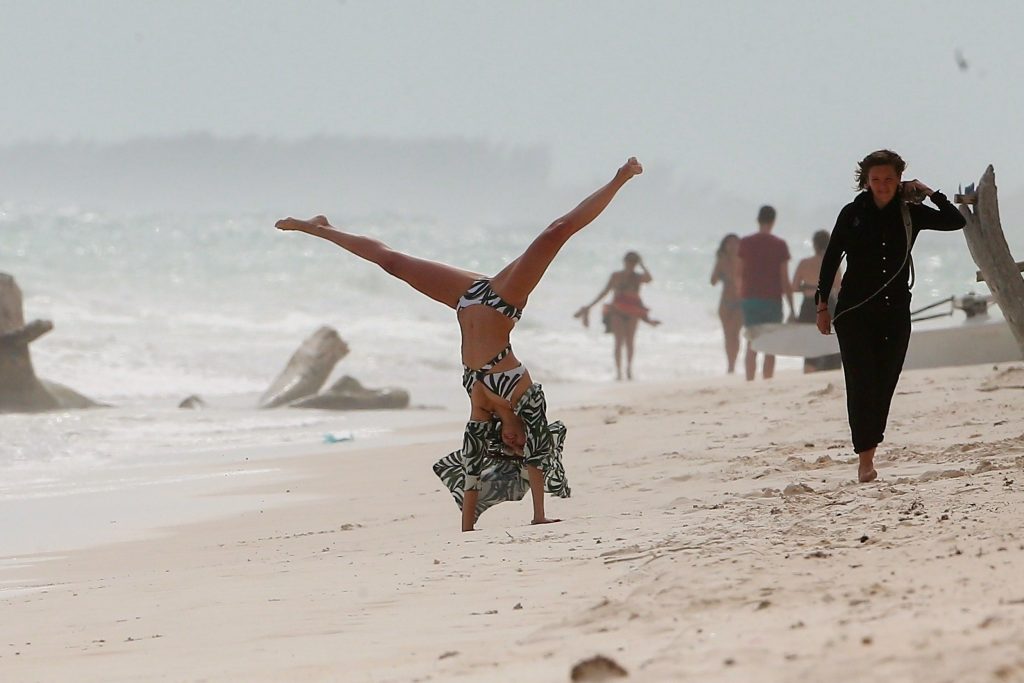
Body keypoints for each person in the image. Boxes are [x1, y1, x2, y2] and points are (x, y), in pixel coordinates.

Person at [276, 157, 644, 530]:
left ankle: (322, 229)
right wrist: (539, 515)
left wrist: (467, 528)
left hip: (466, 299)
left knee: (392, 263)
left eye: (511, 447)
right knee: (556, 232)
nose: (517, 441)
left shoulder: (483, 408)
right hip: (503, 298)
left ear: (502, 443)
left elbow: (471, 466)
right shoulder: (525, 396)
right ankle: (619, 178)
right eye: (523, 443)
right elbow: (539, 454)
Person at [816, 149, 966, 483]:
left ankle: (869, 449)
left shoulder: (910, 213)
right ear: (866, 182)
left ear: (899, 180)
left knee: (885, 382)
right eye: (876, 180)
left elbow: (956, 221)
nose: (882, 185)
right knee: (861, 383)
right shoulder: (852, 214)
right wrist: (822, 305)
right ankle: (865, 460)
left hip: (895, 311)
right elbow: (831, 260)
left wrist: (927, 191)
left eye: (889, 179)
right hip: (854, 313)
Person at [574, 251, 660, 380]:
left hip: (633, 312)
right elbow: (604, 292)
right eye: (629, 261)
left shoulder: (637, 277)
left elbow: (649, 279)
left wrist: (642, 264)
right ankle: (619, 372)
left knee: (630, 341)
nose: (631, 264)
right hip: (617, 311)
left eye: (634, 262)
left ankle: (629, 369)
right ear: (624, 261)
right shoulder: (616, 276)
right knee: (618, 342)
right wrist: (590, 306)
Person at [738, 205, 795, 380]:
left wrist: (741, 299)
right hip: (772, 300)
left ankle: (749, 381)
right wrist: (792, 308)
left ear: (758, 219)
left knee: (751, 342)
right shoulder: (779, 245)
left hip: (750, 299)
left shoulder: (745, 243)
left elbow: (739, 273)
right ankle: (767, 381)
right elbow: (785, 279)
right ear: (773, 221)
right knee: (770, 345)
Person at [793, 229, 842, 373]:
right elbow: (839, 287)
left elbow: (794, 287)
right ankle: (831, 370)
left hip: (809, 304)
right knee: (829, 339)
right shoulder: (833, 262)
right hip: (828, 303)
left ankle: (810, 369)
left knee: (809, 342)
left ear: (814, 245)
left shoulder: (804, 263)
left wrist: (808, 287)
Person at [710, 233, 742, 373]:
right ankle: (730, 365)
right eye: (729, 243)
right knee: (727, 334)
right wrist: (720, 269)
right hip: (725, 301)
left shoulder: (743, 260)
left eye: (735, 243)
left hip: (740, 302)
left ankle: (733, 364)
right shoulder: (721, 261)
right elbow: (712, 281)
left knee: (735, 334)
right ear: (725, 246)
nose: (733, 246)